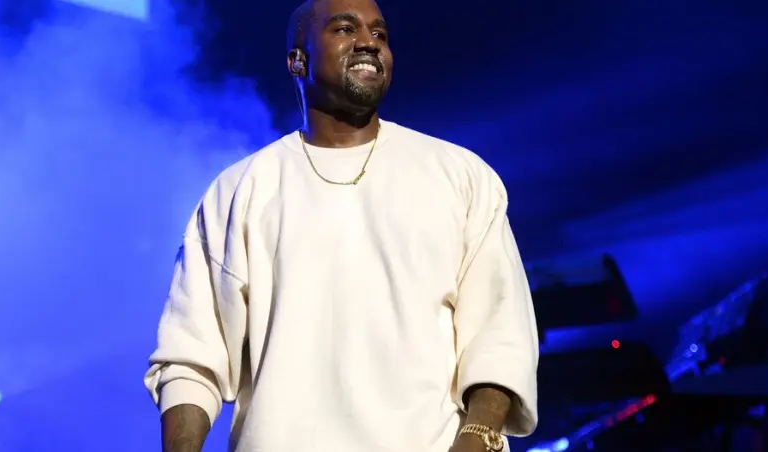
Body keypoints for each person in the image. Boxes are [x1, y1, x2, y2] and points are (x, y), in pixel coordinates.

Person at [144, 0, 539, 450]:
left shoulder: (459, 175)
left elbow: (500, 331)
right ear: (298, 61)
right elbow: (191, 357)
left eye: (380, 34)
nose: (369, 42)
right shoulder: (239, 190)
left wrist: (476, 437)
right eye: (345, 29)